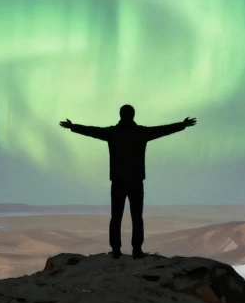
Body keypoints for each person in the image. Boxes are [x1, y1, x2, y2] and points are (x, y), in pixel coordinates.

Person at [60, 105, 197, 259]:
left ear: (120, 114)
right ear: (133, 115)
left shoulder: (113, 132)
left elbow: (92, 131)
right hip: (136, 181)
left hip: (118, 181)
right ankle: (136, 251)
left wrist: (73, 127)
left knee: (116, 216)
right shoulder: (141, 132)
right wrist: (182, 125)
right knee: (137, 217)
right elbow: (163, 130)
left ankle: (116, 251)